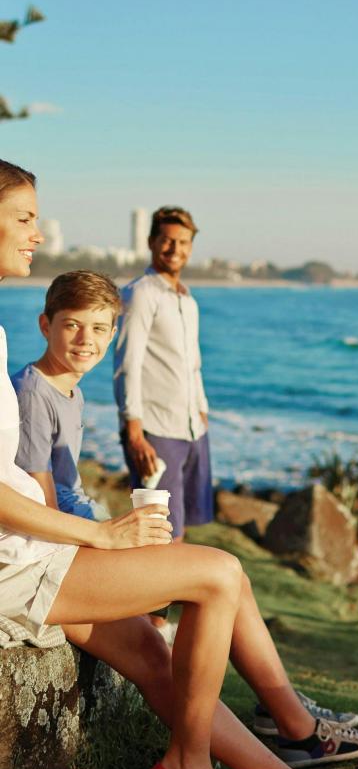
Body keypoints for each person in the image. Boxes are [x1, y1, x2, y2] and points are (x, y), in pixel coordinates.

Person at [0, 158, 358, 769]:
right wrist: (99, 534)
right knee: (219, 573)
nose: (37, 234)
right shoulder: (34, 375)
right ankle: (191, 767)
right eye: (25, 218)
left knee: (153, 653)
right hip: (20, 565)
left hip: (35, 556)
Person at [113, 205, 212, 542]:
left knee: (182, 531)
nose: (175, 249)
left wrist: (202, 409)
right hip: (155, 430)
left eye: (183, 242)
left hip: (192, 428)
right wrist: (134, 430)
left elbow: (192, 362)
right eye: (167, 240)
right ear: (152, 242)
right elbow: (127, 363)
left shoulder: (188, 300)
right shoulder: (140, 294)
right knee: (160, 535)